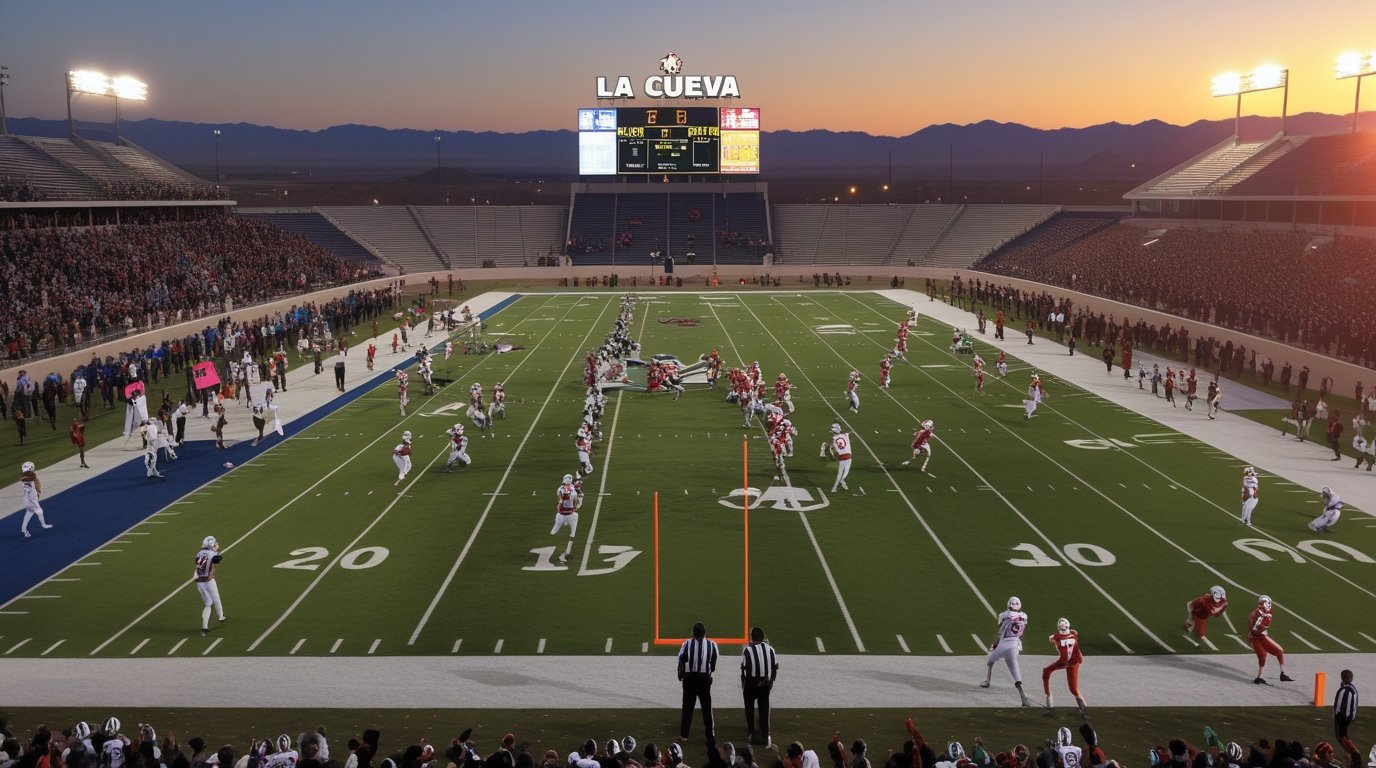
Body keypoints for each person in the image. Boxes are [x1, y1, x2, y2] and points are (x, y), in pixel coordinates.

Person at [980, 595, 1032, 707]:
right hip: (1015, 644)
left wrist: (996, 644)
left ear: (1009, 605)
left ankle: (987, 682)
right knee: (1015, 670)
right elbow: (1022, 631)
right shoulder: (1024, 616)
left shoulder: (1004, 615)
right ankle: (1023, 697)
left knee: (990, 662)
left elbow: (1000, 631)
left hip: (1004, 644)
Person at [677, 622, 718, 743]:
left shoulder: (687, 644)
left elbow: (681, 660)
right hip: (704, 679)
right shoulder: (712, 644)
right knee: (707, 707)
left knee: (687, 707)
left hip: (689, 679)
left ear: (693, 633)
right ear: (704, 633)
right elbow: (714, 664)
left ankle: (684, 735)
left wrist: (681, 675)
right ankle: (710, 735)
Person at [741, 626, 778, 748]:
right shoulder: (771, 649)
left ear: (752, 638)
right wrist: (771, 681)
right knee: (764, 709)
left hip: (751, 685)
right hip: (765, 684)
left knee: (749, 709)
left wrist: (744, 686)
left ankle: (751, 732)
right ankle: (765, 734)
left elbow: (745, 670)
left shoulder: (748, 651)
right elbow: (775, 668)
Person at [1042, 618, 1087, 719]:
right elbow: (1072, 633)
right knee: (1074, 689)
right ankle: (1084, 712)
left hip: (1063, 662)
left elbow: (1055, 638)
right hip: (1074, 662)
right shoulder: (1074, 634)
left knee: (1046, 672)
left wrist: (1052, 637)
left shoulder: (1057, 637)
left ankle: (1050, 706)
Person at [1248, 594, 1291, 684]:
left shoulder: (1267, 612)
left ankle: (1259, 677)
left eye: (1266, 603)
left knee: (1263, 656)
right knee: (1279, 651)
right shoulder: (1257, 614)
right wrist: (1260, 628)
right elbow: (1254, 629)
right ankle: (1283, 673)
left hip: (1256, 637)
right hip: (1258, 636)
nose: (1265, 605)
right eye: (1263, 604)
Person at [194, 535, 227, 636]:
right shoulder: (212, 553)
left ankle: (205, 627)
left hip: (199, 582)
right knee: (216, 599)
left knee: (208, 604)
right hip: (208, 581)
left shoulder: (199, 553)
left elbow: (199, 563)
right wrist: (216, 551)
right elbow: (218, 559)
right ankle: (220, 616)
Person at [551, 473, 581, 565]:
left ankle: (561, 551)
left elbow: (560, 499)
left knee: (554, 533)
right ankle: (565, 552)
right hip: (570, 515)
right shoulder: (573, 491)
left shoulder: (560, 489)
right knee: (572, 533)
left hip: (560, 515)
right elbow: (576, 504)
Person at [19, 461, 52, 539]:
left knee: (28, 514)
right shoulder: (27, 480)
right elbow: (27, 485)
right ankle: (43, 525)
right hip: (31, 500)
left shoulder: (29, 478)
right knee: (39, 511)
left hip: (28, 500)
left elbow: (33, 481)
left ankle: (24, 529)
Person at [1334, 669, 1359, 767]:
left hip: (1341, 717)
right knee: (1344, 735)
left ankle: (1350, 753)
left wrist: (1336, 715)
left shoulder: (1343, 690)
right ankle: (1352, 752)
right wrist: (1352, 717)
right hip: (1349, 717)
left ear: (1342, 678)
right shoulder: (1353, 689)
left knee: (1341, 736)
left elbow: (1338, 704)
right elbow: (1355, 704)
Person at [825, 423, 852, 493]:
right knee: (845, 473)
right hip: (848, 456)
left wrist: (830, 450)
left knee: (839, 474)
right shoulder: (845, 435)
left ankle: (834, 488)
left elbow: (834, 452)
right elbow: (849, 432)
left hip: (841, 457)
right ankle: (840, 482)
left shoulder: (834, 440)